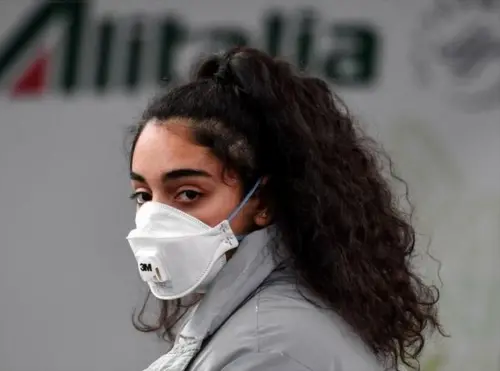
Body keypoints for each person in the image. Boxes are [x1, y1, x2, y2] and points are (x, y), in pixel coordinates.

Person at [124, 46, 443, 371]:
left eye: (189, 194)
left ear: (262, 201)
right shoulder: (258, 326)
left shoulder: (272, 346)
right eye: (143, 195)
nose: (154, 218)